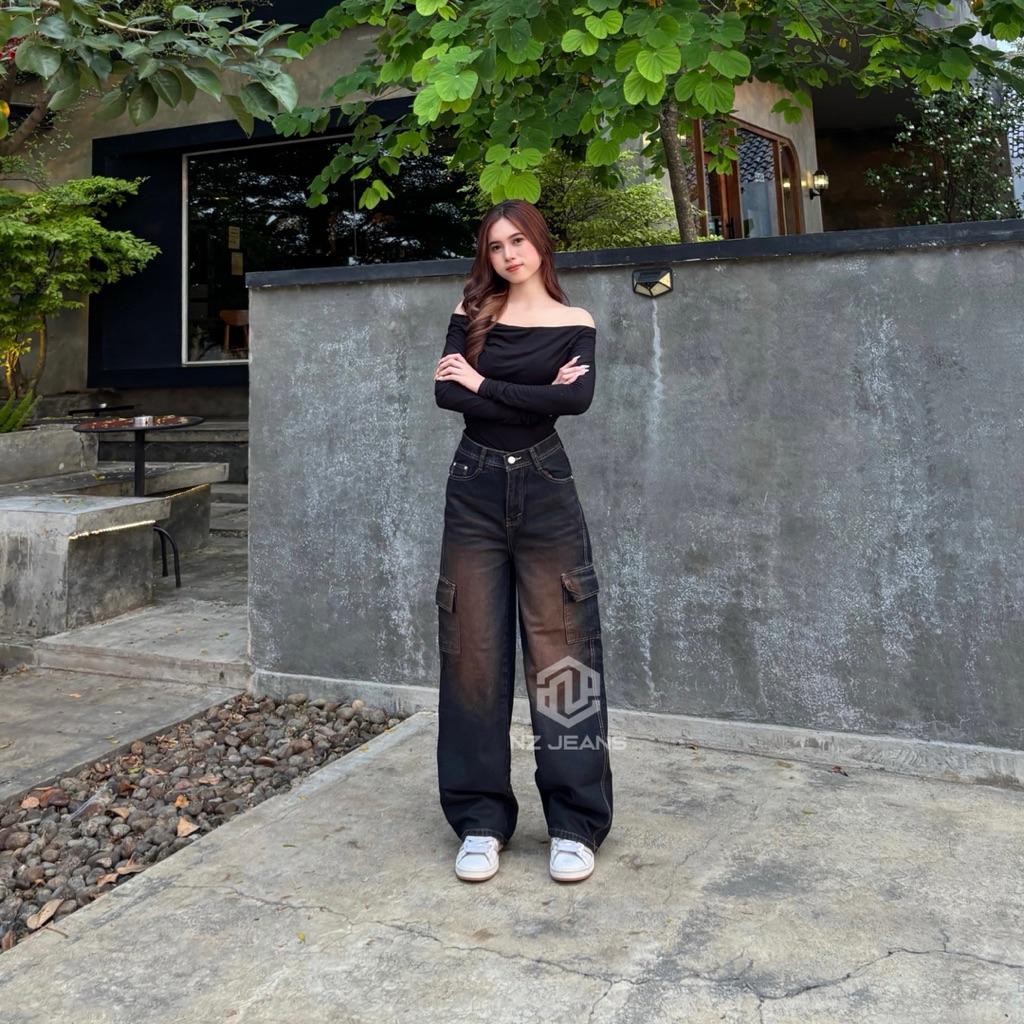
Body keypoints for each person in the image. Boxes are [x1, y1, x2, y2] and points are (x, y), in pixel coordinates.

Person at [433, 200, 613, 884]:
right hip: (473, 486)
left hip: (546, 487)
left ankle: (574, 823)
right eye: (495, 245)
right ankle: (479, 821)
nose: (508, 254)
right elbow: (449, 397)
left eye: (518, 241)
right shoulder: (471, 313)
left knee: (564, 651)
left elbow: (575, 403)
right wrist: (529, 389)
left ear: (541, 243)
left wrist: (483, 382)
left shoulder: (576, 323)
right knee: (472, 652)